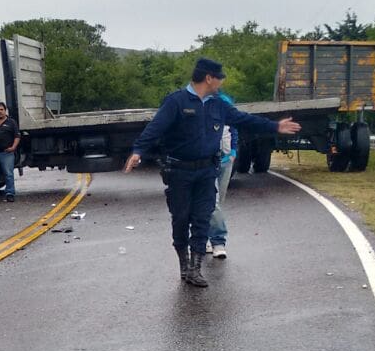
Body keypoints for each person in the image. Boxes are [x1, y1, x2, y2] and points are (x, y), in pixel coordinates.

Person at [123, 58, 301, 288]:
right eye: (219, 77)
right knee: (181, 219)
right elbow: (154, 128)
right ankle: (184, 265)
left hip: (207, 170)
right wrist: (138, 151)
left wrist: (274, 126)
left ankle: (195, 270)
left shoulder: (219, 104)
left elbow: (243, 120)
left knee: (201, 219)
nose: (222, 81)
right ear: (209, 77)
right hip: (179, 172)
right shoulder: (176, 101)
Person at [206, 90, 238, 259]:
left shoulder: (225, 101)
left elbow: (233, 128)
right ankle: (218, 241)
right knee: (213, 201)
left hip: (225, 159)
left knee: (217, 202)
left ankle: (206, 236)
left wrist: (233, 151)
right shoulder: (197, 102)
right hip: (206, 162)